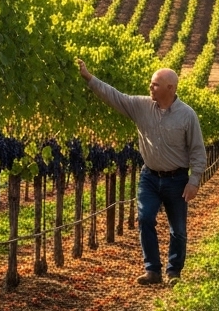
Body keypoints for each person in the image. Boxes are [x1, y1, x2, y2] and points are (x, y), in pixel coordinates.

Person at [76, 59, 205, 285]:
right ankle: (152, 270)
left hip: (177, 179)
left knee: (178, 229)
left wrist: (194, 181)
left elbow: (197, 150)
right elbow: (115, 96)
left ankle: (173, 272)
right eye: (151, 83)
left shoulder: (187, 115)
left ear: (170, 88)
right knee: (145, 218)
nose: (150, 87)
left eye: (155, 84)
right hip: (150, 177)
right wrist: (89, 78)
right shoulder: (141, 106)